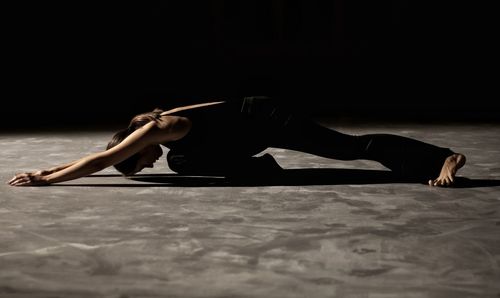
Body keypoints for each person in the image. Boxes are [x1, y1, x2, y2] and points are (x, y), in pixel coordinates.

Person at [8, 96, 466, 187]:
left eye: (138, 162)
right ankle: (263, 169)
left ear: (136, 144)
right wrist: (49, 168)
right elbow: (105, 155)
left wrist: (51, 179)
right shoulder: (166, 135)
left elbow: (104, 157)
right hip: (250, 130)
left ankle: (442, 157)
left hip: (264, 119)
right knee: (182, 165)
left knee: (345, 148)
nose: (145, 166)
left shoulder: (160, 128)